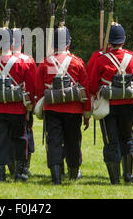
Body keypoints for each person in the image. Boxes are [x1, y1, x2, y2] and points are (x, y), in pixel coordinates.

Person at [35, 26, 91, 184]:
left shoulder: (45, 63)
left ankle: (56, 176)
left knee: (53, 141)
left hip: (52, 109)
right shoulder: (77, 62)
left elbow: (39, 90)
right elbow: (85, 90)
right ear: (68, 43)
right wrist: (87, 115)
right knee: (73, 141)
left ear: (53, 45)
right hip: (73, 110)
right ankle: (73, 173)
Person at [89, 23, 133, 184]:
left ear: (108, 42)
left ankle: (114, 179)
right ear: (123, 41)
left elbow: (92, 85)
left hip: (108, 105)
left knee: (110, 140)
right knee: (127, 137)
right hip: (128, 105)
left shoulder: (101, 59)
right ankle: (128, 175)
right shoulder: (132, 58)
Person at [0, 27, 36, 182]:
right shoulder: (22, 63)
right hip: (17, 109)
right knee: (20, 139)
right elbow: (31, 89)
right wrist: (28, 108)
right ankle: (20, 172)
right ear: (12, 44)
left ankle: (1, 173)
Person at [8, 28, 37, 178]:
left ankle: (12, 167)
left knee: (7, 137)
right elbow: (32, 88)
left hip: (3, 108)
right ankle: (22, 167)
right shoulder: (28, 61)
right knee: (25, 135)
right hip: (22, 106)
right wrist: (29, 108)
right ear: (23, 42)